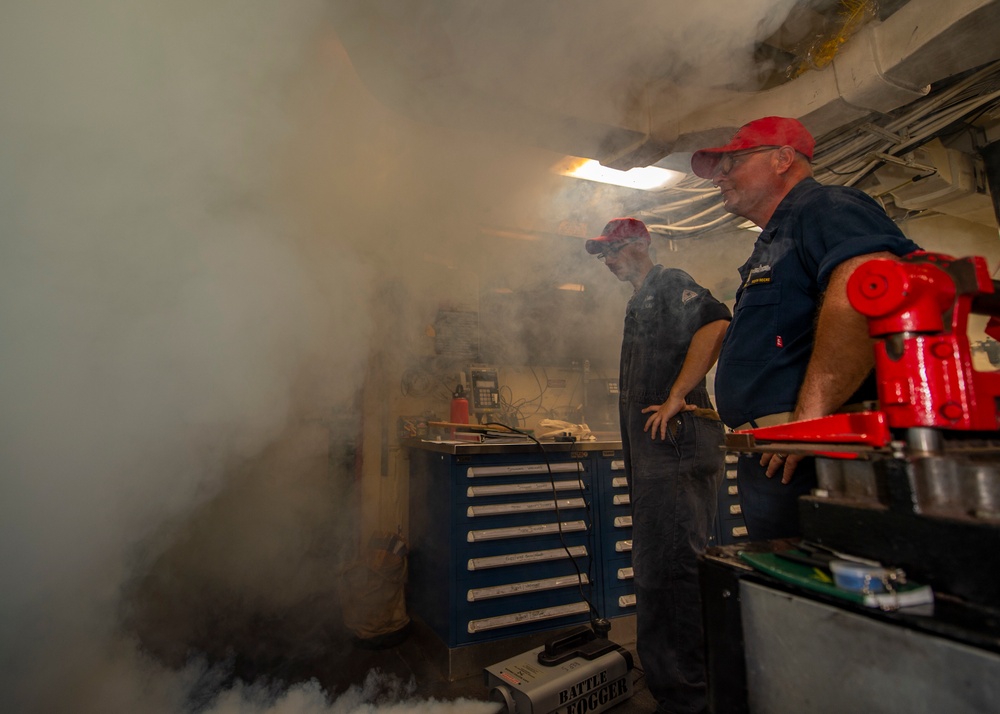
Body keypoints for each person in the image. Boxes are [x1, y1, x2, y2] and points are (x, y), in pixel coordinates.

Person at [690, 116, 921, 541]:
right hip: (779, 452)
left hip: (813, 453)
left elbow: (866, 284)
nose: (720, 178)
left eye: (733, 162)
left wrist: (810, 421)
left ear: (782, 159)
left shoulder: (827, 206)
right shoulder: (774, 241)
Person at [586, 217, 731, 714]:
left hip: (676, 445)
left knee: (670, 570)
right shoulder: (639, 299)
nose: (606, 261)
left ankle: (688, 698)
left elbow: (715, 320)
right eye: (603, 254)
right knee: (657, 567)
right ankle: (677, 688)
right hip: (657, 451)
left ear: (640, 246)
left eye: (613, 251)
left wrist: (677, 394)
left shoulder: (668, 282)